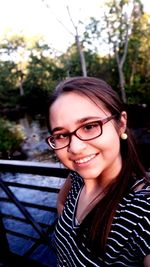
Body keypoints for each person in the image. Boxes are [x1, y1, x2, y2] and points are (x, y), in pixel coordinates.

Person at [46, 77, 150, 266]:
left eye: (89, 126)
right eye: (61, 135)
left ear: (121, 123)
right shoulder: (78, 177)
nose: (75, 148)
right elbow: (61, 201)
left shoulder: (142, 211)